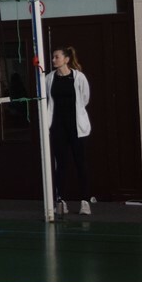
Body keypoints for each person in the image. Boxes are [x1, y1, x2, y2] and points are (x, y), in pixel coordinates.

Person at [42, 46, 92, 215]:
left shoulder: (79, 78)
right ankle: (61, 201)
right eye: (53, 57)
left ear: (66, 59)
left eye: (57, 57)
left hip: (76, 128)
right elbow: (48, 100)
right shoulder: (49, 78)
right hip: (58, 128)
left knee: (80, 164)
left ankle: (85, 201)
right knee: (61, 164)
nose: (53, 60)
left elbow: (85, 98)